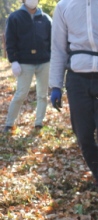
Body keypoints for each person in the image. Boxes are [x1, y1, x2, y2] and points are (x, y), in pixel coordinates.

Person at [49, 0, 98, 196]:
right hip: (77, 78)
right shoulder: (64, 6)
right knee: (83, 136)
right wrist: (55, 85)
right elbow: (58, 48)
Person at [3, 0, 51, 133]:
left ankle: (39, 123)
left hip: (44, 61)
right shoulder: (15, 17)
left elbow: (52, 41)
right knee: (20, 94)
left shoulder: (46, 19)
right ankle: (9, 123)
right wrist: (13, 61)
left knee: (42, 95)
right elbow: (10, 40)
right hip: (24, 63)